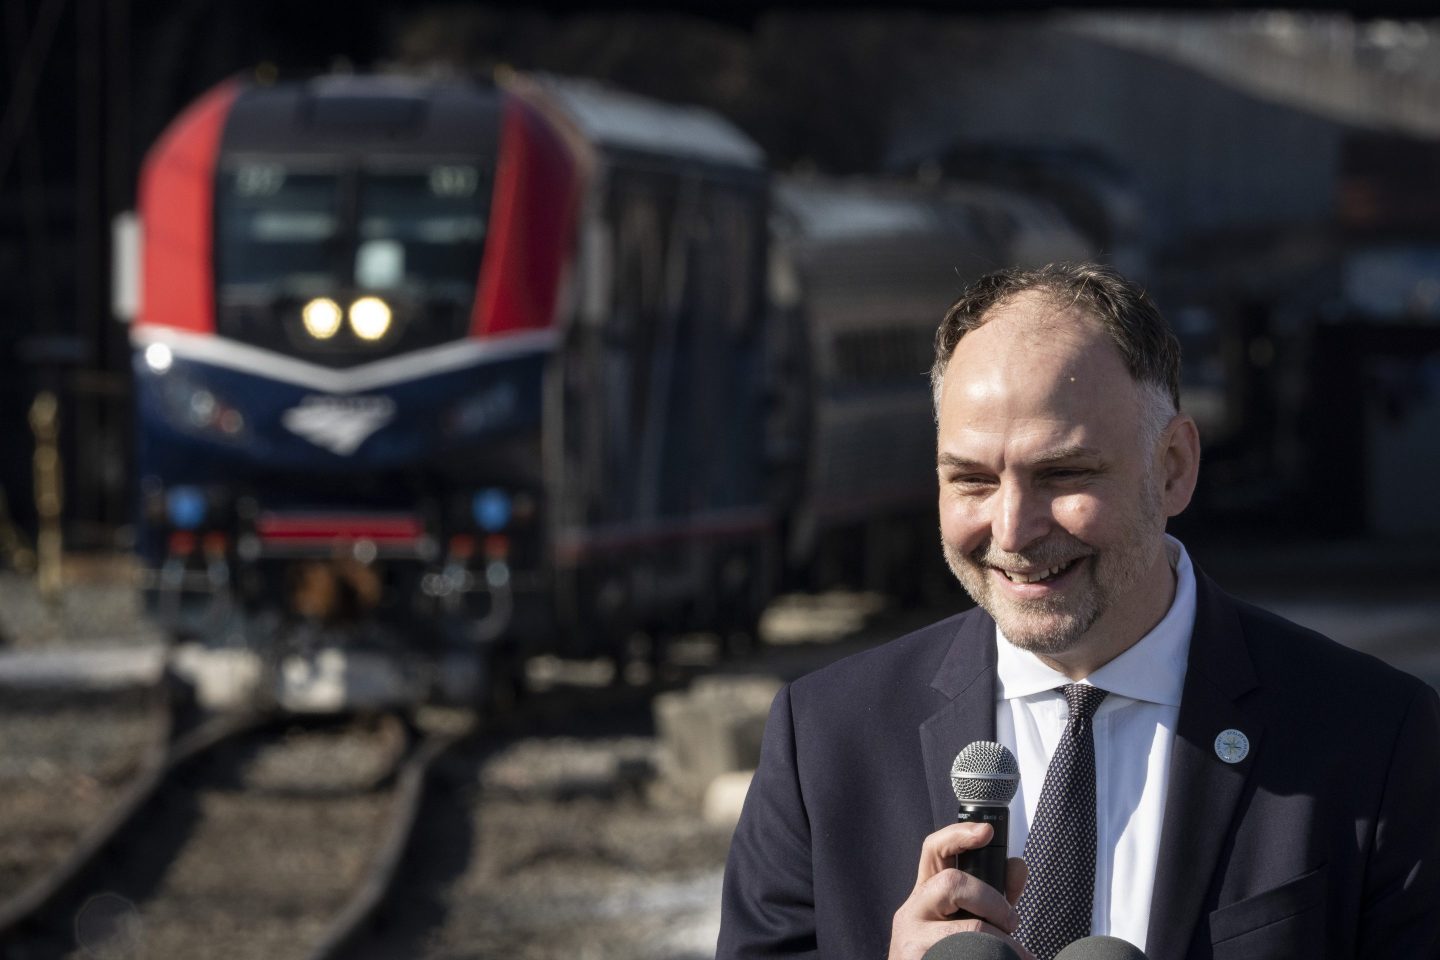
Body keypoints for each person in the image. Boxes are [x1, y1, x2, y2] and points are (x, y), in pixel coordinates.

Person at [717, 262, 1440, 960]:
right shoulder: (826, 741)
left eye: (1062, 474)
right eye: (972, 480)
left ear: (1174, 467)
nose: (1011, 531)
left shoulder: (1373, 738)